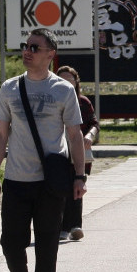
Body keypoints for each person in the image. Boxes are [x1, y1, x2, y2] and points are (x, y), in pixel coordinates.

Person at [0, 28, 86, 272]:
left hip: (50, 183)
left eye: (35, 47)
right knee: (10, 243)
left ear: (50, 54)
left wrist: (79, 175)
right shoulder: (10, 88)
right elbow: (1, 134)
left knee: (46, 247)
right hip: (16, 179)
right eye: (26, 47)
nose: (27, 51)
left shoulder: (63, 90)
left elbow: (74, 135)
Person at [56, 65, 99, 241]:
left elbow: (94, 124)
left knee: (77, 185)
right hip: (58, 151)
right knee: (61, 187)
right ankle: (62, 227)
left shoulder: (83, 102)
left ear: (76, 82)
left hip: (79, 150)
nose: (66, 83)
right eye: (62, 79)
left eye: (70, 79)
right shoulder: (52, 101)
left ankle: (75, 226)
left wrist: (89, 136)